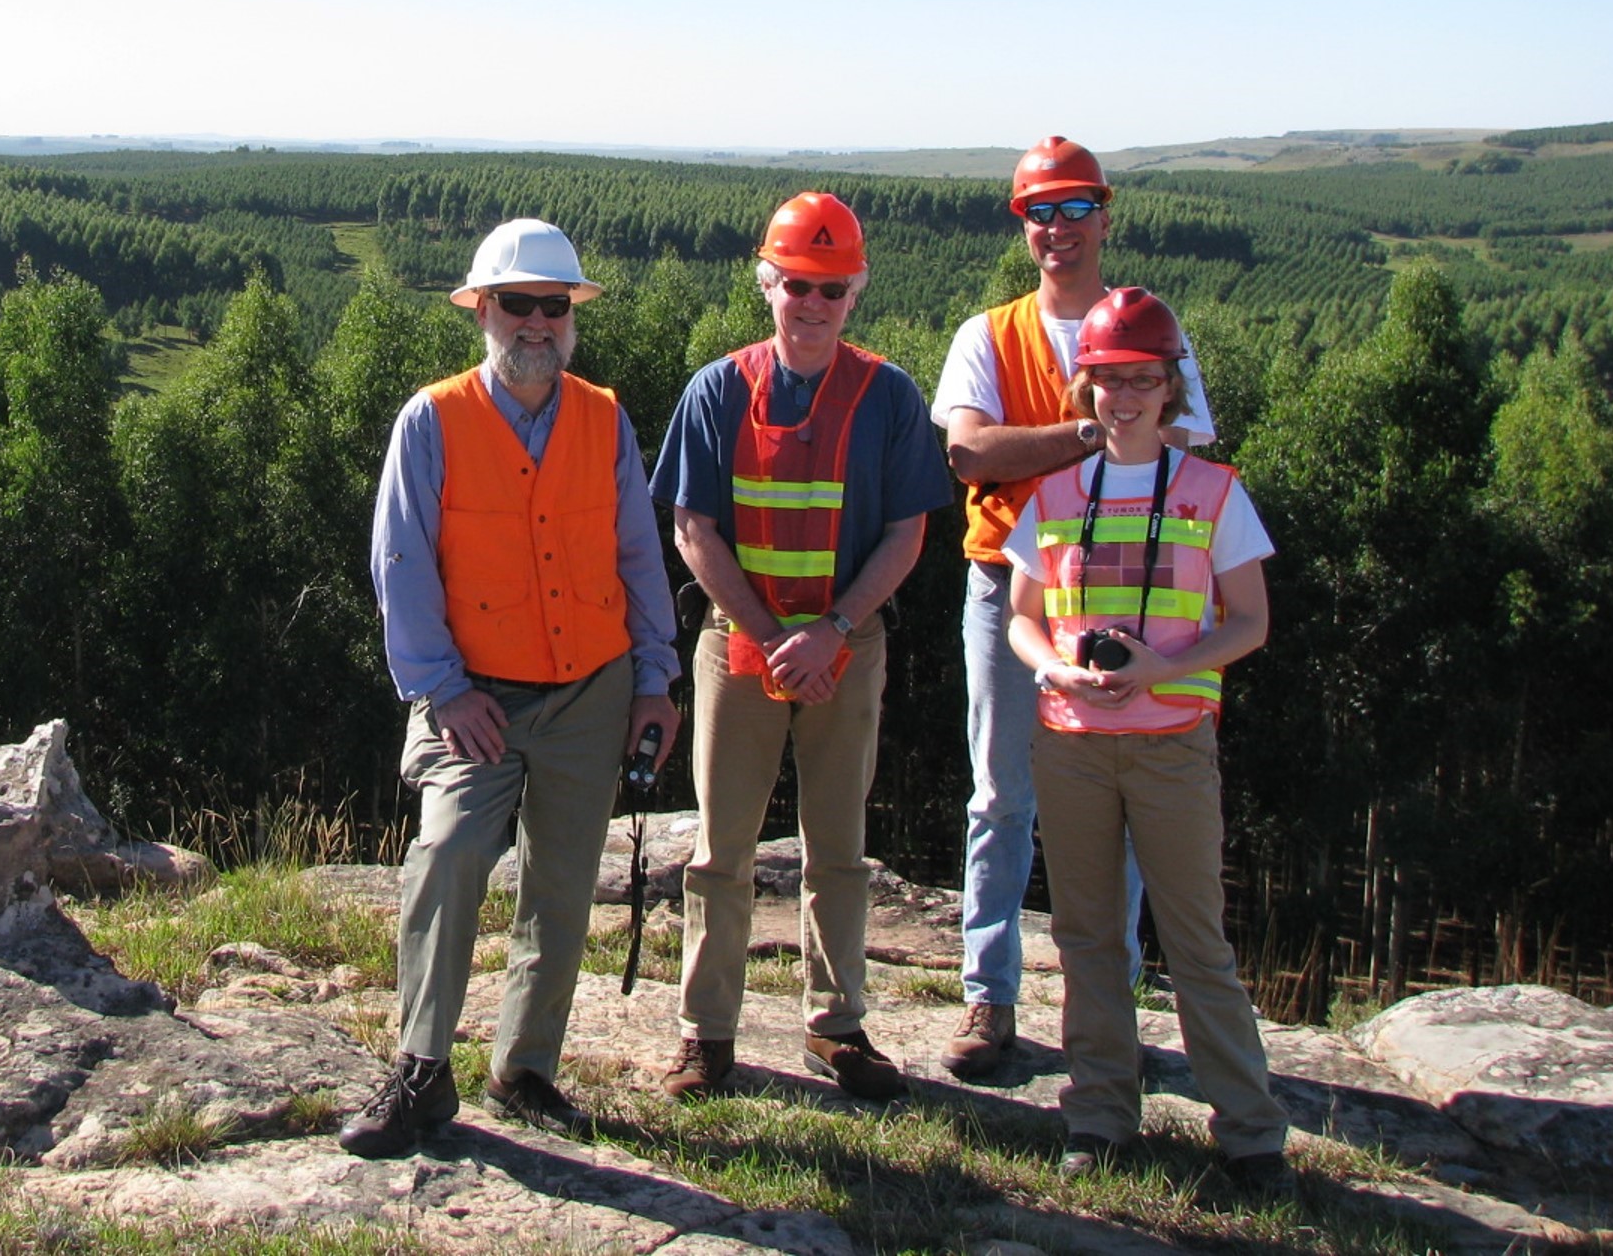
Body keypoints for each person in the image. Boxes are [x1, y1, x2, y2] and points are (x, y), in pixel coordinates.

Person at [347, 218, 681, 1158]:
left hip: (593, 690)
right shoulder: (433, 418)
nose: (538, 322)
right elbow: (401, 566)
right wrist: (443, 691)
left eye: (554, 305)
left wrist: (655, 679)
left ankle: (525, 1066)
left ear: (571, 316)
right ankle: (420, 1071)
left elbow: (637, 557)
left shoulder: (605, 417)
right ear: (482, 310)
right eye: (518, 303)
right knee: (448, 855)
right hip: (471, 695)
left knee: (565, 884)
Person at [650, 193, 953, 1100]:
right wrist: (773, 636)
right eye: (794, 285)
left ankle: (838, 1028)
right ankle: (706, 1035)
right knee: (721, 850)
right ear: (766, 285)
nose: (811, 303)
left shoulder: (889, 394)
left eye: (829, 287)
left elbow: (907, 533)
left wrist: (827, 633)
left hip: (846, 646)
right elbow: (691, 529)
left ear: (854, 292)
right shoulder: (716, 389)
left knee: (838, 848)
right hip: (739, 646)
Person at [930, 136, 1217, 1079]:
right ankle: (990, 996)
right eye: (1037, 212)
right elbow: (971, 457)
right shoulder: (988, 334)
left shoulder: (1152, 323)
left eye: (1072, 208)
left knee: (1125, 801)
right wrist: (1103, 425)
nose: (1055, 229)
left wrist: (1047, 442)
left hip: (1135, 591)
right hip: (1008, 588)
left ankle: (1111, 1005)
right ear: (1023, 226)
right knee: (1002, 796)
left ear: (1105, 213)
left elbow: (1191, 451)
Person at [1003, 286, 1291, 1190]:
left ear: (1170, 387)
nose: (1122, 396)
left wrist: (1157, 670)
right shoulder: (1050, 494)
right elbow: (1022, 616)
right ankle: (1098, 1118)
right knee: (1086, 936)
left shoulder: (1214, 491)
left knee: (1195, 939)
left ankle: (1249, 1135)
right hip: (1073, 741)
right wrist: (1054, 667)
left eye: (1141, 379)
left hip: (1171, 740)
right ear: (1084, 388)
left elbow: (1249, 622)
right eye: (1106, 380)